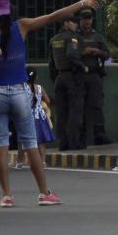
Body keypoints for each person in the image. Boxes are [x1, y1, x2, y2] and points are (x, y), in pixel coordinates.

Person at [0, 0, 99, 206]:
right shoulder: (21, 26)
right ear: (9, 7)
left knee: (0, 144)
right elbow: (55, 16)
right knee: (30, 143)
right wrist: (82, 2)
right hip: (19, 92)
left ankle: (6, 196)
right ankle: (44, 193)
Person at [74, 7, 112, 146]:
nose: (87, 21)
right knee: (80, 107)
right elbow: (70, 54)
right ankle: (81, 137)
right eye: (84, 19)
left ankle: (100, 135)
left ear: (92, 20)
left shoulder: (97, 36)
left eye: (89, 18)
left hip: (95, 74)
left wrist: (97, 52)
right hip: (79, 74)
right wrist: (83, 52)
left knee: (96, 106)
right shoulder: (75, 36)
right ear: (80, 20)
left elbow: (107, 54)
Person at [49, 17, 82, 149]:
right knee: (74, 110)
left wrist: (55, 78)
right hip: (71, 76)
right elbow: (71, 55)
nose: (76, 25)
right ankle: (74, 142)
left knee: (61, 112)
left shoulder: (54, 39)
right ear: (67, 23)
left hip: (59, 78)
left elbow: (51, 63)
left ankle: (63, 143)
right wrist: (83, 67)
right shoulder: (72, 38)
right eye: (74, 22)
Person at [29, 69, 57, 149]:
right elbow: (48, 100)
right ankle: (43, 161)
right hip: (40, 116)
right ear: (36, 77)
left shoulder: (23, 88)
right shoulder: (39, 88)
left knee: (29, 141)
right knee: (41, 141)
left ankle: (28, 160)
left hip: (28, 116)